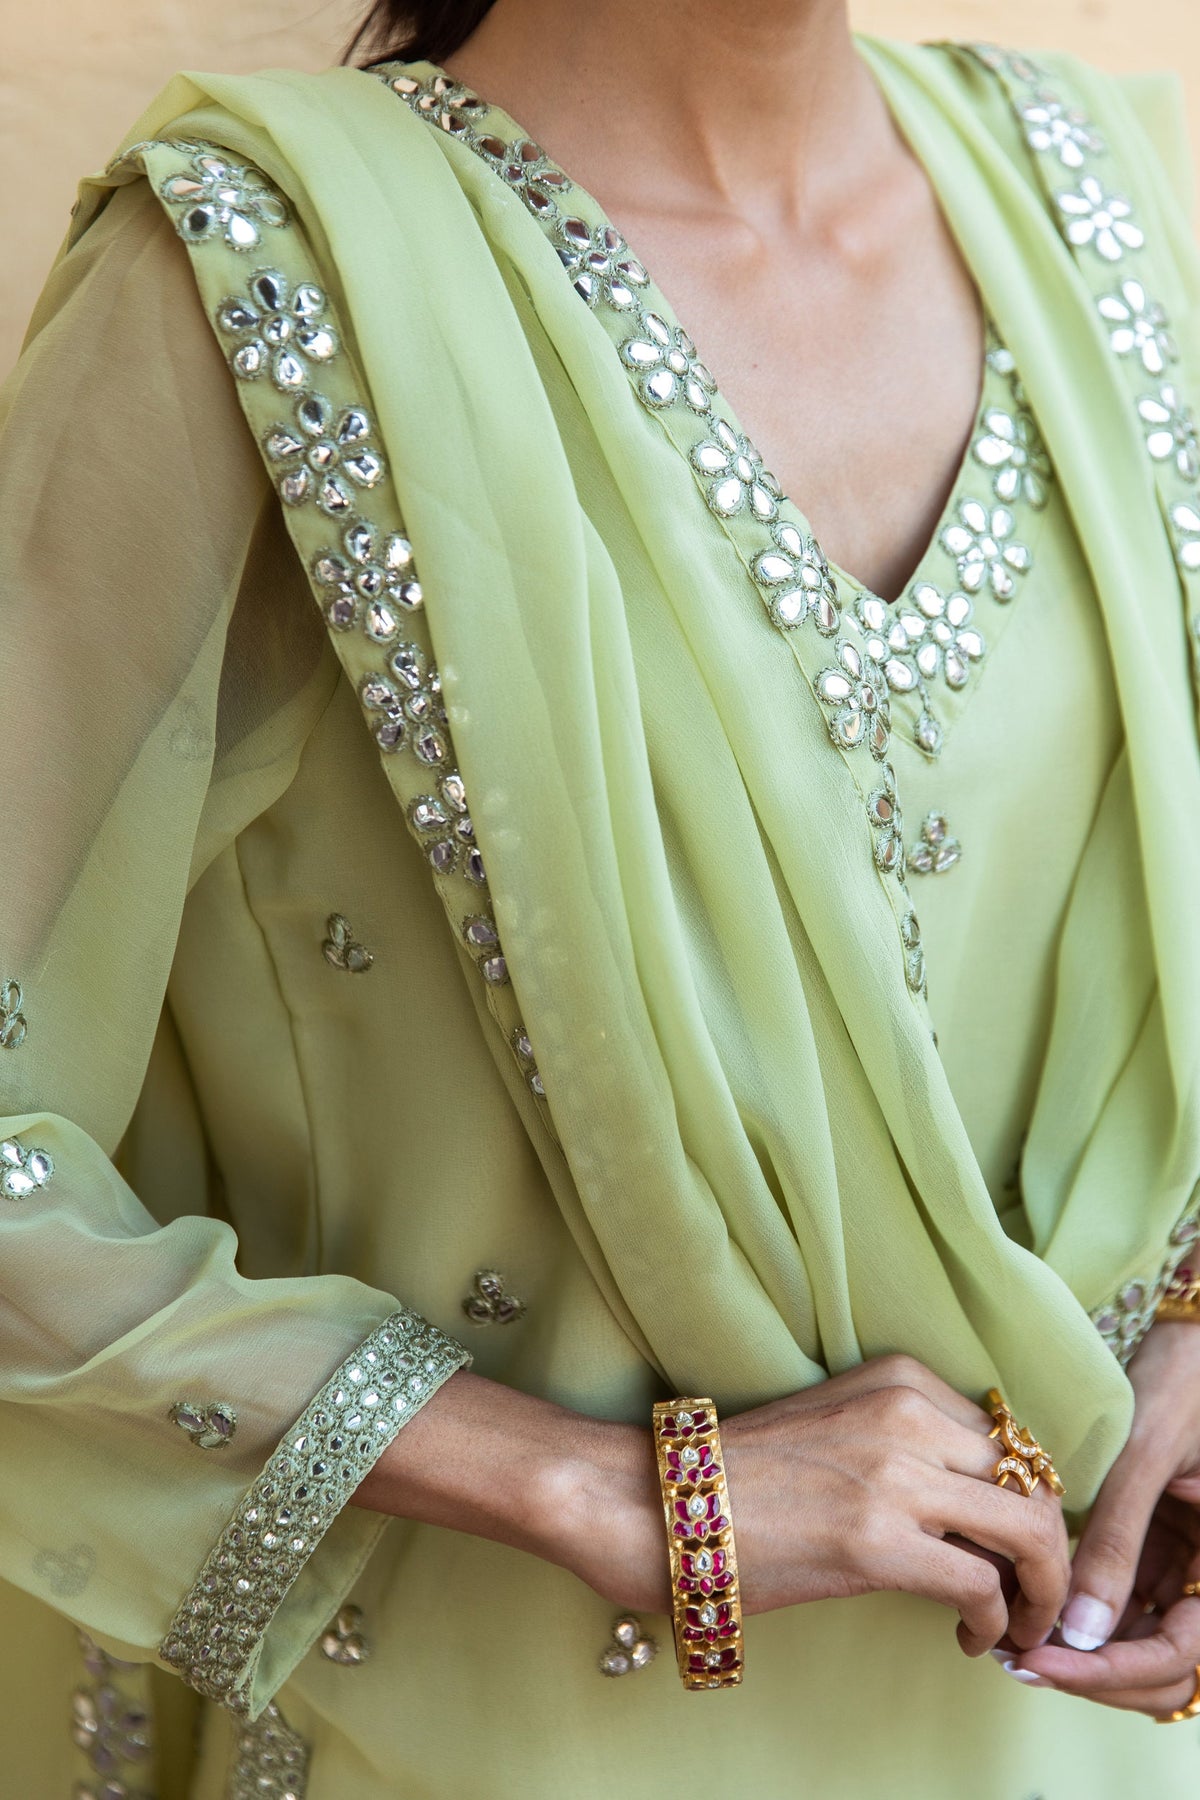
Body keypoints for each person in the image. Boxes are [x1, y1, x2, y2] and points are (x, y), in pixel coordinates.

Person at [4, 0, 1200, 1792]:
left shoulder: (1097, 199)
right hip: (490, 1731)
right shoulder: (252, 276)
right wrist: (579, 1482)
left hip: (1061, 1732)